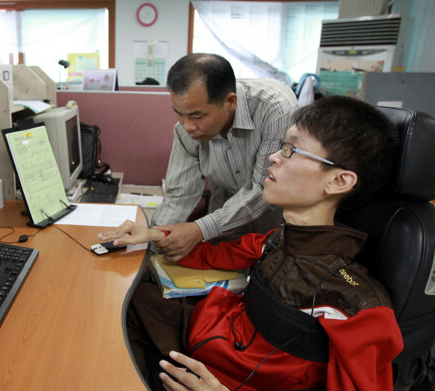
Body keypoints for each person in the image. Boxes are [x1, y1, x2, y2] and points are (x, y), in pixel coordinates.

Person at [99, 96, 403, 390]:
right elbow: (212, 254)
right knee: (109, 297)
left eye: (291, 150)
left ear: (338, 181)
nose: (273, 156)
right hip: (212, 335)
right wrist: (154, 235)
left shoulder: (357, 305)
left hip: (225, 375)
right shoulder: (276, 240)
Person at [152, 53, 299, 262]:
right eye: (179, 113)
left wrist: (200, 229)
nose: (187, 126)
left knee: (268, 275)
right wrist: (156, 238)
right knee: (225, 281)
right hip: (225, 212)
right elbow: (179, 194)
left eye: (197, 116)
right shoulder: (186, 129)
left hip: (275, 215)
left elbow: (264, 187)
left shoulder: (274, 109)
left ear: (230, 102)